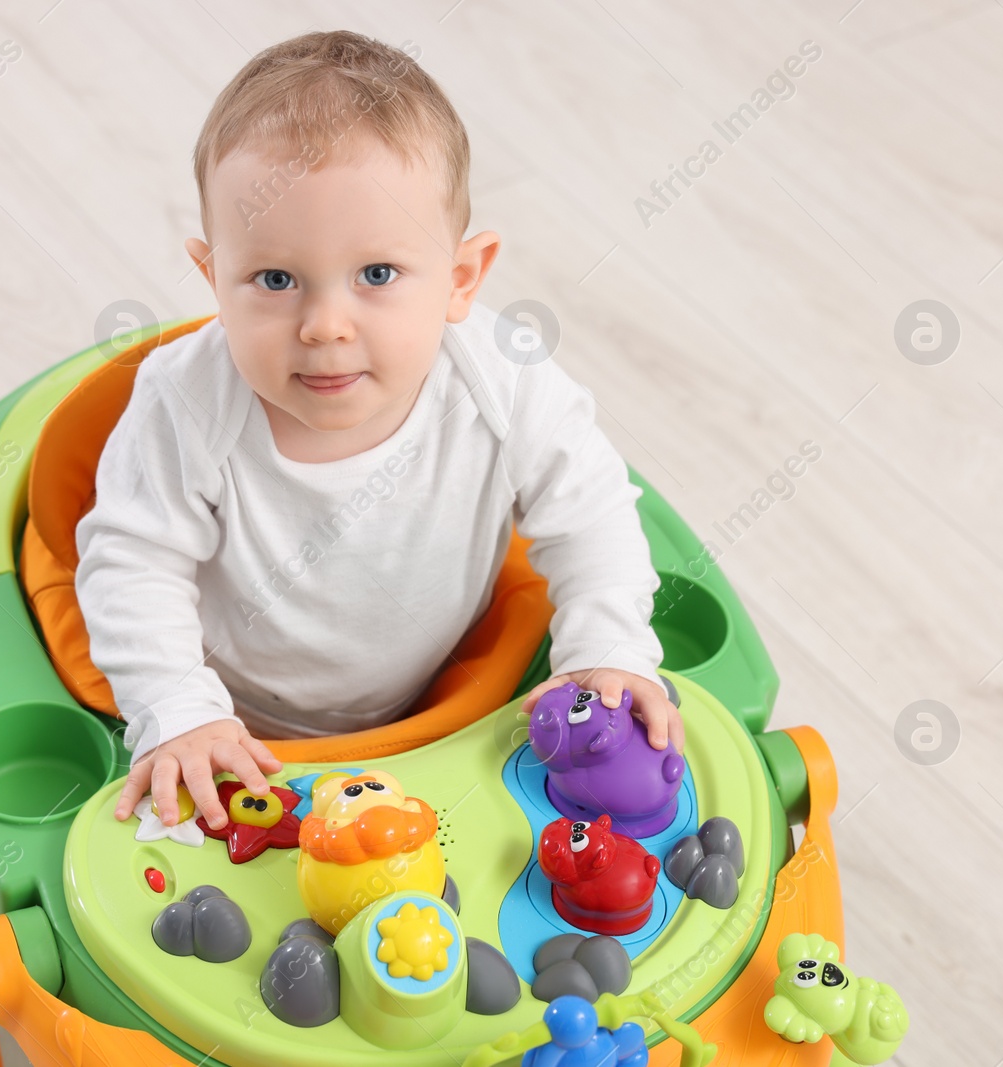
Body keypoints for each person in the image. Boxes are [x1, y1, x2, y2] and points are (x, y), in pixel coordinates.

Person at [76, 30, 682, 833]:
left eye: (378, 274)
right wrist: (177, 707)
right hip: (229, 716)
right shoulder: (186, 402)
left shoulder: (505, 380)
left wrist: (605, 651)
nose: (326, 325)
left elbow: (594, 511)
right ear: (212, 277)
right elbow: (131, 562)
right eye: (275, 279)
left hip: (441, 709)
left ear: (462, 279)